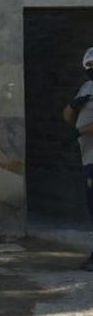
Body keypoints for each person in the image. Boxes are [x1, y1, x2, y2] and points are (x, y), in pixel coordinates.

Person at [61, 47, 93, 271]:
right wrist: (73, 106)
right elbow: (66, 117)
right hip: (88, 157)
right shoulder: (87, 87)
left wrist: (80, 132)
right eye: (89, 67)